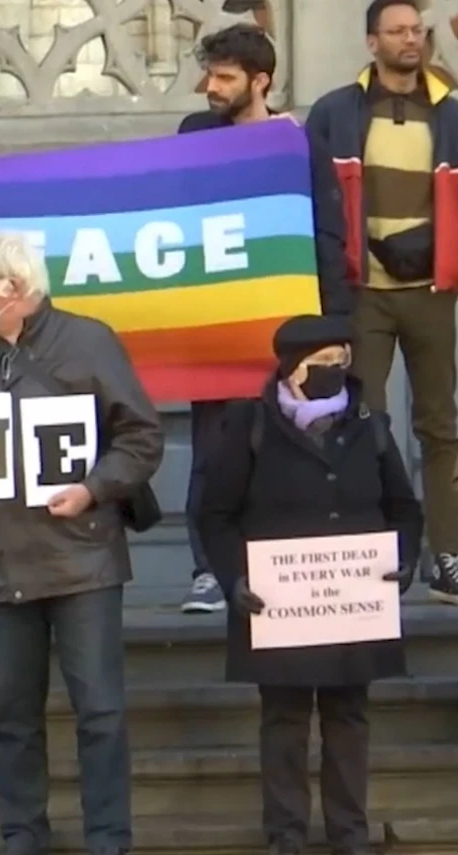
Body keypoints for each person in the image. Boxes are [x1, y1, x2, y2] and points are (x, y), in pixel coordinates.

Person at [0, 232, 164, 855]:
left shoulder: (87, 342)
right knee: (12, 713)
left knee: (99, 708)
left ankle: (108, 842)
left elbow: (143, 435)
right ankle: (23, 837)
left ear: (14, 285)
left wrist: (93, 487)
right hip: (0, 557)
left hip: (83, 558)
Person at [194, 314, 422, 855]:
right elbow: (214, 515)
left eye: (344, 363)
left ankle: (351, 839)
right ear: (293, 369)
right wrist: (233, 580)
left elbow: (404, 507)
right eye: (325, 365)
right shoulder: (249, 425)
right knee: (285, 717)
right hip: (279, 603)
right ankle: (285, 840)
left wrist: (406, 558)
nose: (338, 374)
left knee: (349, 713)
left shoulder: (370, 424)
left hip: (352, 599)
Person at [176, 23, 353, 614]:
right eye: (210, 74)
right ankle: (209, 571)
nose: (211, 87)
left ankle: (285, 566)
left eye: (225, 77)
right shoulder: (193, 135)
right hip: (212, 326)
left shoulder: (298, 144)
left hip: (283, 329)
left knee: (284, 447)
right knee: (210, 451)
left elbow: (328, 234)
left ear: (261, 81)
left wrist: (334, 325)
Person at [307, 0, 458, 601]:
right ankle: (376, 555)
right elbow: (311, 194)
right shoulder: (337, 110)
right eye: (397, 31)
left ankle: (447, 554)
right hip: (361, 292)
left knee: (441, 427)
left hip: (431, 292)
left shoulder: (449, 110)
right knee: (361, 423)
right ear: (372, 43)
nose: (411, 40)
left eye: (417, 31)